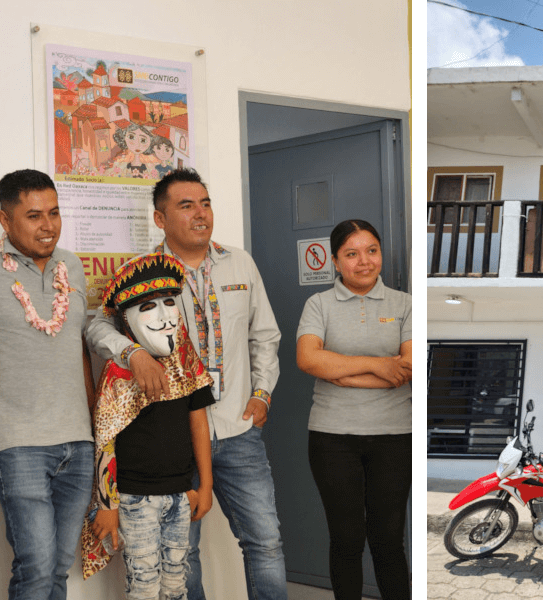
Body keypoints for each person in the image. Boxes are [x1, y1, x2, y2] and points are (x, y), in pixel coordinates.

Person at [85, 169, 287, 600]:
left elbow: (265, 336)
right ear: (160, 219)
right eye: (186, 205)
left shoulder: (240, 262)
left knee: (265, 541)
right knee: (181, 554)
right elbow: (96, 327)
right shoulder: (144, 273)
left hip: (238, 428)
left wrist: (262, 391)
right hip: (174, 435)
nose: (201, 214)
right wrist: (133, 354)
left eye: (206, 203)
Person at [0, 169, 94, 599]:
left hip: (78, 441)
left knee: (57, 569)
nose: (48, 225)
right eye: (34, 215)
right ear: (5, 220)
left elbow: (78, 346)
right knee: (35, 567)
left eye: (54, 213)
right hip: (17, 443)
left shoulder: (70, 265)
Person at [80, 253, 215, 600]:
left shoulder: (185, 363)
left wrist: (205, 484)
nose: (164, 314)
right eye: (147, 307)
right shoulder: (119, 374)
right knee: (144, 584)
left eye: (169, 302)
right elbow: (105, 439)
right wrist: (108, 506)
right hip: (134, 498)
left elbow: (198, 420)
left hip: (181, 493)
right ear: (125, 319)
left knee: (176, 581)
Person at [296, 219, 412, 600]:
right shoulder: (319, 304)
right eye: (352, 254)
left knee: (388, 539)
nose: (364, 261)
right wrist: (380, 365)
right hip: (332, 437)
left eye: (372, 251)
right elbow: (309, 359)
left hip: (395, 436)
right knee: (346, 538)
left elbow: (407, 370)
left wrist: (343, 373)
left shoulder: (405, 304)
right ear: (335, 261)